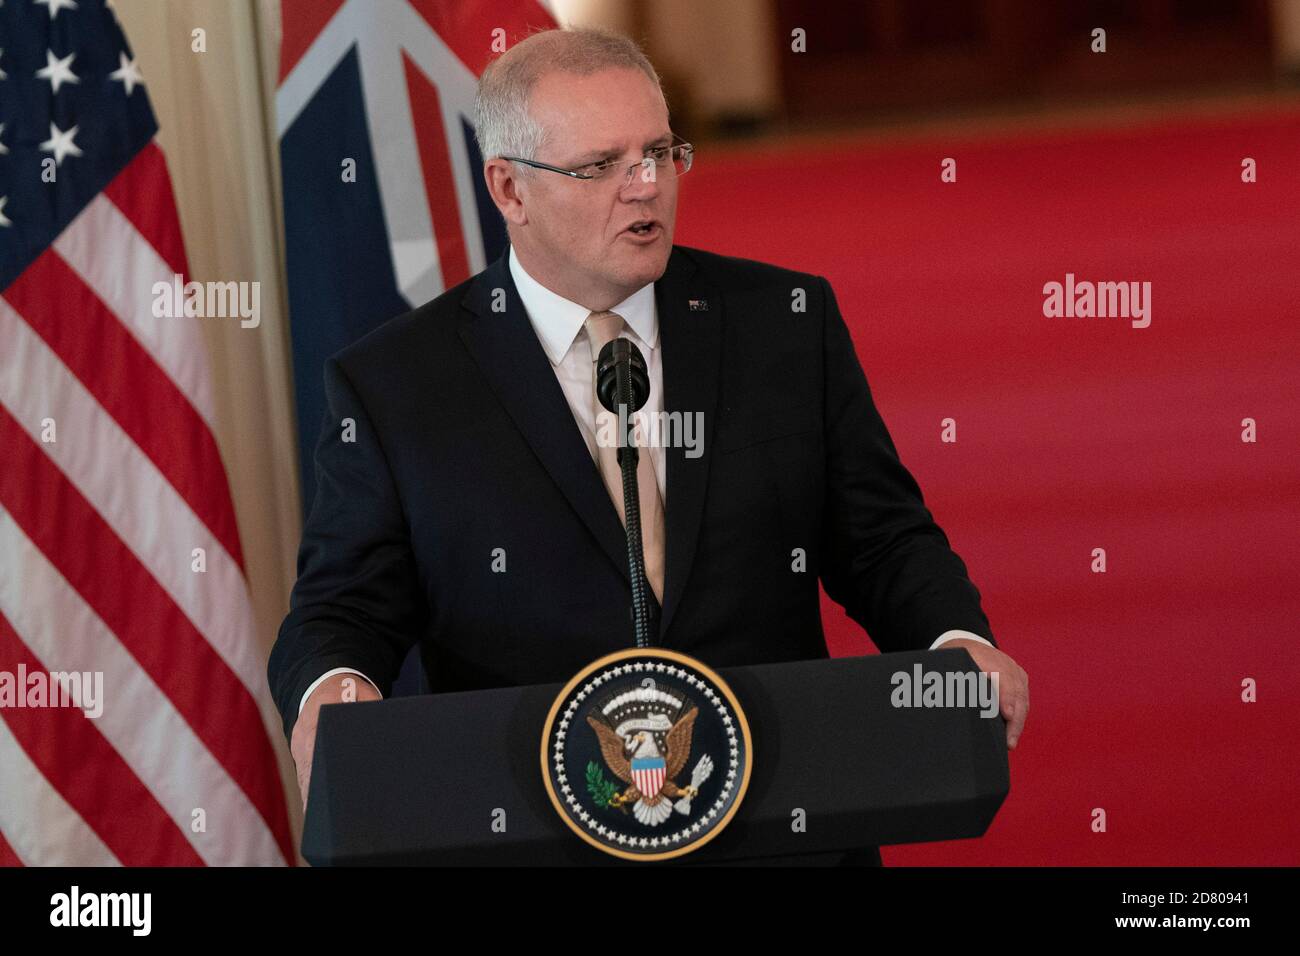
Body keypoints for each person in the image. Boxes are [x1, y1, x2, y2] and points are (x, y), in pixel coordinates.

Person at [267, 26, 1029, 865]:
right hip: (533, 834)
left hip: (781, 825)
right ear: (509, 189)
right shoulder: (397, 386)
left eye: (661, 153)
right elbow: (342, 608)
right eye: (601, 167)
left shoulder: (783, 324)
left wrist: (955, 644)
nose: (646, 187)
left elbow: (883, 541)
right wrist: (334, 691)